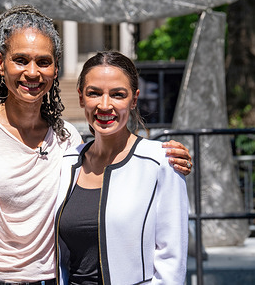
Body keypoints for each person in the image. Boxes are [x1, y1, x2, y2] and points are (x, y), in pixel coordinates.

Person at [0, 5, 191, 285]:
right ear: (1, 63)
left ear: (54, 70)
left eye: (43, 62)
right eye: (21, 60)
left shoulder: (68, 142)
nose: (32, 72)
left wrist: (166, 157)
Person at [55, 51, 189, 285]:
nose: (105, 105)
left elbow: (172, 263)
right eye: (94, 93)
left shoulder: (162, 162)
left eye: (117, 95)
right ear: (80, 97)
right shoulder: (66, 162)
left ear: (134, 99)